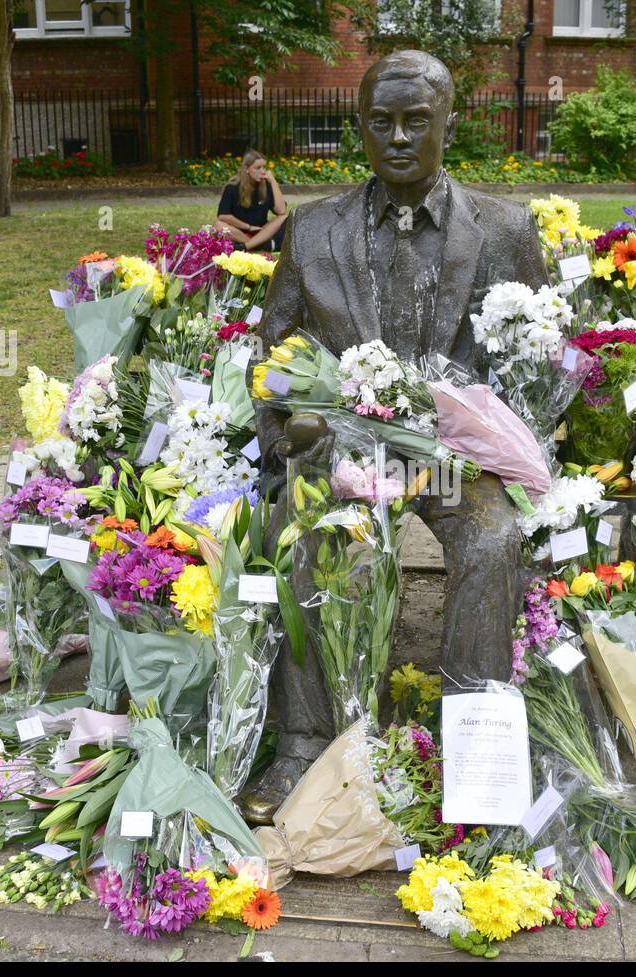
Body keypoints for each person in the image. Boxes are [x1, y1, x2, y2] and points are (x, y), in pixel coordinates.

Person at [239, 50, 549, 823]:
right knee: (305, 533)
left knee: (490, 540)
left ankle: (470, 746)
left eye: (418, 121)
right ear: (360, 131)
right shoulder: (313, 231)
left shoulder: (506, 230)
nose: (400, 138)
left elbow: (540, 356)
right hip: (346, 456)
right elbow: (271, 356)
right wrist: (291, 432)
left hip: (458, 462)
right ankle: (310, 741)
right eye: (382, 123)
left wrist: (494, 432)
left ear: (449, 122)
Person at [215, 149, 288, 251]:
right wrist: (248, 227)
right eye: (258, 168)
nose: (263, 171)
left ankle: (247, 246)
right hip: (239, 231)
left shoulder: (266, 185)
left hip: (261, 231)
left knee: (283, 218)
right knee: (219, 225)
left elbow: (281, 211)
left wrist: (273, 182)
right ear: (246, 168)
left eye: (264, 167)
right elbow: (223, 216)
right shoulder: (232, 187)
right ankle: (258, 244)